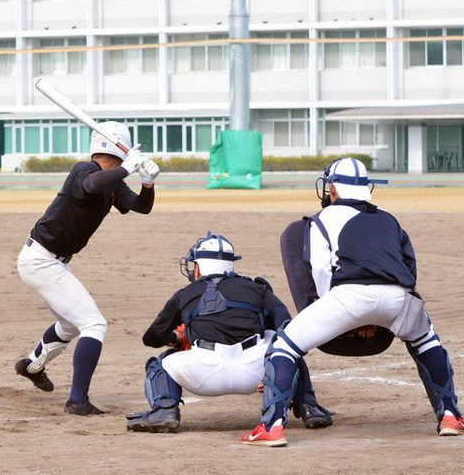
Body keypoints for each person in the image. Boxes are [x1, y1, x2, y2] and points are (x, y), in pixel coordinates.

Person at [244, 157, 463, 447]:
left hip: (349, 296)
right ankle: (450, 415)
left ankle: (271, 427)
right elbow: (409, 269)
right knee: (426, 341)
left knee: (285, 345)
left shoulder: (322, 219)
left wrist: (341, 318)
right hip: (400, 295)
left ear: (332, 188)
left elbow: (321, 272)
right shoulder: (388, 219)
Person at [14, 121, 160, 415]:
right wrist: (128, 168)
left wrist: (147, 183)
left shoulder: (113, 183)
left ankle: (31, 366)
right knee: (94, 324)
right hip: (41, 259)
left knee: (70, 325)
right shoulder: (85, 171)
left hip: (50, 261)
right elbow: (91, 186)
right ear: (120, 149)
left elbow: (140, 207)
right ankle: (77, 401)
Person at [127, 232, 331, 436]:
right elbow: (285, 323)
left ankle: (164, 411)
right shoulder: (257, 288)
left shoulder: (184, 294)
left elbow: (151, 338)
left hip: (202, 374)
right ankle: (309, 408)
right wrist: (275, 369)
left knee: (160, 363)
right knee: (287, 351)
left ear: (199, 267)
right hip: (256, 371)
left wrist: (175, 339)